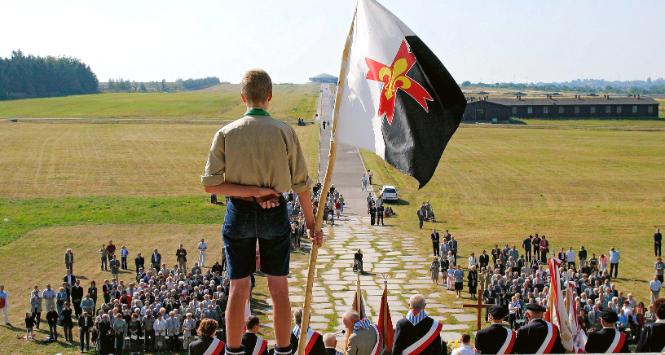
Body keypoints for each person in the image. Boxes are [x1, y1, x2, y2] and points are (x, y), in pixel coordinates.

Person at [201, 69, 322, 355]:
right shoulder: (284, 131)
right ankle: (282, 350)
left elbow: (210, 184)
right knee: (279, 289)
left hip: (239, 211)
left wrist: (250, 193)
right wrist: (310, 223)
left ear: (243, 97)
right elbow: (302, 185)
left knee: (238, 288)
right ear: (269, 97)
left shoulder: (227, 133)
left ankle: (232, 350)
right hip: (275, 211)